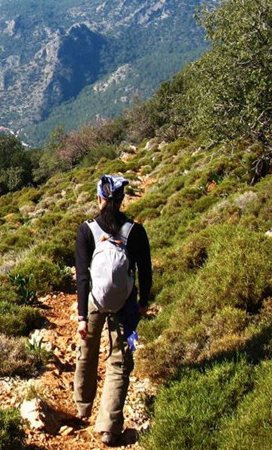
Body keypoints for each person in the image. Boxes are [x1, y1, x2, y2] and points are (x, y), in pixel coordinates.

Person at [74, 174, 152, 446]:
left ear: (99, 199)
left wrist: (82, 317)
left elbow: (82, 277)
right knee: (119, 361)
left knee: (87, 352)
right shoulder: (135, 231)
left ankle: (82, 407)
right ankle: (109, 426)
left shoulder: (86, 230)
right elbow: (145, 270)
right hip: (126, 303)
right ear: (121, 201)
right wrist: (142, 303)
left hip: (94, 300)